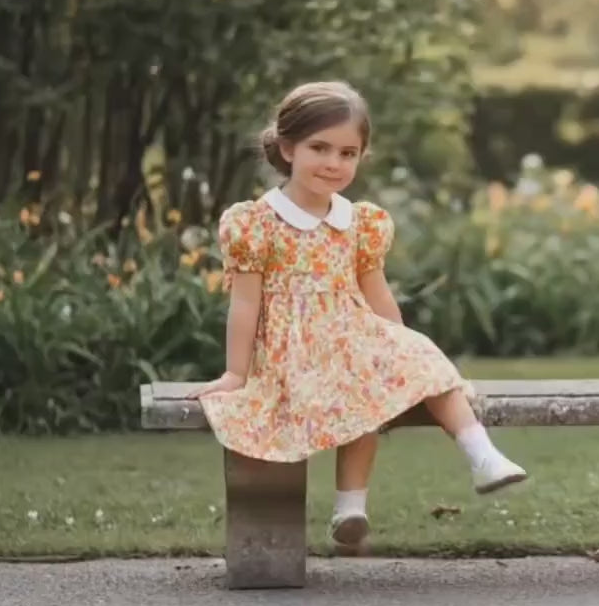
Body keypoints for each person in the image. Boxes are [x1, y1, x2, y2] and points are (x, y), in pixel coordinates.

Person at [191, 80, 527, 549]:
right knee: (358, 391)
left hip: (351, 341)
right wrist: (234, 372)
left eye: (348, 153)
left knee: (411, 363)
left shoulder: (359, 222)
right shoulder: (258, 223)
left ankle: (478, 457)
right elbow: (246, 303)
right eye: (319, 148)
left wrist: (401, 351)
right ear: (287, 148)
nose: (333, 163)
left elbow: (376, 293)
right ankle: (349, 506)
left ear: (361, 156)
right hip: (295, 353)